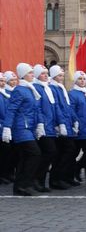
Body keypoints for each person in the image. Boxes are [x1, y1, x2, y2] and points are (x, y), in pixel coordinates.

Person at [2, 63, 43, 196]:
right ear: (24, 75)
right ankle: (25, 184)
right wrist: (7, 128)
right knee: (34, 154)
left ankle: (20, 187)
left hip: (29, 128)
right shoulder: (19, 90)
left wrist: (39, 124)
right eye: (30, 72)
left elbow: (36, 109)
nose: (32, 74)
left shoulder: (30, 89)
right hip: (21, 128)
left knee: (25, 157)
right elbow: (11, 110)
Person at [48, 65, 79, 189]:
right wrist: (59, 123)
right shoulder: (53, 88)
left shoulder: (61, 88)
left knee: (68, 152)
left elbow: (67, 107)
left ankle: (66, 177)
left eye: (62, 75)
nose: (61, 77)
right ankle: (56, 178)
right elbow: (56, 108)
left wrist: (74, 120)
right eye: (59, 75)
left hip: (67, 124)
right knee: (65, 152)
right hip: (60, 125)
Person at [32, 64, 58, 192]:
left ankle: (40, 181)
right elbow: (38, 108)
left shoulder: (47, 88)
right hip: (43, 127)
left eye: (46, 73)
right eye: (42, 73)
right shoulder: (37, 88)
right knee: (49, 151)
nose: (46, 75)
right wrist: (40, 124)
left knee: (49, 153)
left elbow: (53, 107)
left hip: (50, 126)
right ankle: (36, 179)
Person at [0, 72, 13, 184]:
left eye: (4, 81)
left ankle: (7, 173)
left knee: (8, 153)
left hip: (6, 127)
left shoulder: (5, 94)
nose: (3, 83)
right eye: (1, 81)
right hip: (1, 127)